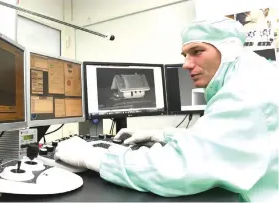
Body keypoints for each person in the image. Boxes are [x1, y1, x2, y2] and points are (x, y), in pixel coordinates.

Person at [54, 17, 279, 202]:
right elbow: (223, 142)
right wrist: (164, 135)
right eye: (185, 55)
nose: (186, 64)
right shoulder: (254, 73)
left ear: (228, 50)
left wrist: (91, 156)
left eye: (197, 51)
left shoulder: (247, 89)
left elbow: (177, 170)